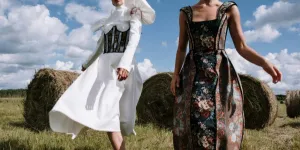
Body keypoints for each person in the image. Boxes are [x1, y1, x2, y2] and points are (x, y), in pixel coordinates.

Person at [171, 0, 282, 149]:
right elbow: (181, 48)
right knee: (194, 122)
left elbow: (242, 46)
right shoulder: (185, 13)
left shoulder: (229, 9)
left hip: (221, 75)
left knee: (222, 125)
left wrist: (264, 63)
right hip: (192, 74)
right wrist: (175, 74)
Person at [49, 0, 155, 149]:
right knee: (108, 115)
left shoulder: (133, 13)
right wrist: (86, 64)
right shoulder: (108, 19)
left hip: (122, 68)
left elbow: (134, 39)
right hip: (104, 69)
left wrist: (124, 64)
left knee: (117, 117)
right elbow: (100, 46)